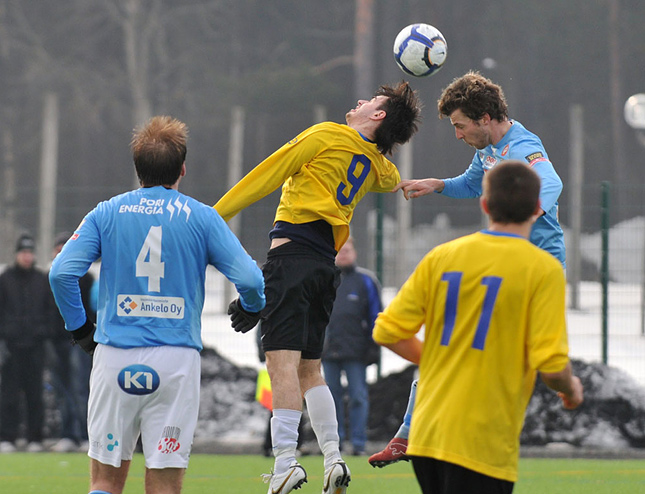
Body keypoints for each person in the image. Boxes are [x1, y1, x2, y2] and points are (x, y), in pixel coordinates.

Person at [215, 81, 421, 494]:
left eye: (371, 102)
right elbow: (390, 175)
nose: (360, 101)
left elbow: (268, 173)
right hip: (325, 270)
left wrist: (212, 217)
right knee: (312, 370)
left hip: (291, 260)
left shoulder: (327, 134)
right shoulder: (378, 166)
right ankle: (333, 458)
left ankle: (287, 463)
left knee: (281, 367)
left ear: (377, 116)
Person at [49, 116, 265, 494]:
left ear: (137, 170)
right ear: (182, 169)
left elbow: (61, 273)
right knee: (164, 483)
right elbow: (250, 278)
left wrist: (80, 328)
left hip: (115, 355)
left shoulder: (106, 212)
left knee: (104, 481)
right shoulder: (203, 217)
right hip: (176, 361)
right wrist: (251, 307)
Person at [369, 70, 567, 467]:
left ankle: (488, 424)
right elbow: (473, 182)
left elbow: (551, 182)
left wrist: (522, 220)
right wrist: (438, 184)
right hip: (500, 265)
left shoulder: (523, 146)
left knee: (501, 356)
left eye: (460, 126)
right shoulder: (489, 149)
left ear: (484, 119)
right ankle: (410, 432)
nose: (458, 135)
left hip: (534, 270)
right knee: (449, 336)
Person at [373, 160, 583, 493]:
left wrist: (438, 358)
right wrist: (570, 390)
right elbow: (552, 364)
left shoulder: (442, 256)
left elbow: (387, 331)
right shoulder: (542, 269)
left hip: (428, 435)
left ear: (485, 205)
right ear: (536, 210)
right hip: (482, 439)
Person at [321, 237, 382, 456]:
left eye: (348, 249)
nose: (344, 253)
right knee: (331, 398)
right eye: (340, 250)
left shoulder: (367, 281)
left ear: (355, 252)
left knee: (358, 396)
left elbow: (377, 315)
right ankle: (334, 445)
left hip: (357, 352)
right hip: (327, 351)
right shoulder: (324, 279)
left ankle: (359, 444)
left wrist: (375, 345)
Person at [0, 233, 52, 453]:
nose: (27, 257)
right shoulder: (5, 279)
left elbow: (49, 310)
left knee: (34, 394)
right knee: (9, 393)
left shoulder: (42, 280)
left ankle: (35, 438)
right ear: (17, 255)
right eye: (24, 253)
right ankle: (7, 437)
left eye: (30, 253)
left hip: (35, 345)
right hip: (11, 346)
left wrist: (42, 331)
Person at [49, 231, 96, 453]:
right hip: (57, 340)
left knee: (82, 388)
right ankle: (67, 433)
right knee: (62, 389)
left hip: (79, 341)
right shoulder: (49, 278)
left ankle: (87, 434)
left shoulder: (86, 279)